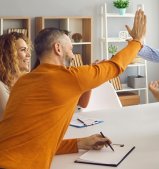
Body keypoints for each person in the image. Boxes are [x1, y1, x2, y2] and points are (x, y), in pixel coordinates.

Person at [0, 9, 146, 169]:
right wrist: (137, 41)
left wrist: (80, 142)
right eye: (70, 49)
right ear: (58, 48)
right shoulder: (67, 77)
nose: (72, 54)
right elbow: (115, 66)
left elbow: (35, 141)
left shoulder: (23, 82)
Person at [0, 32, 111, 155]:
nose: (28, 54)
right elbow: (24, 136)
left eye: (28, 50)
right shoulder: (3, 87)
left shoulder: (27, 79)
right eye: (22, 50)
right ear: (7, 55)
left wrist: (81, 143)